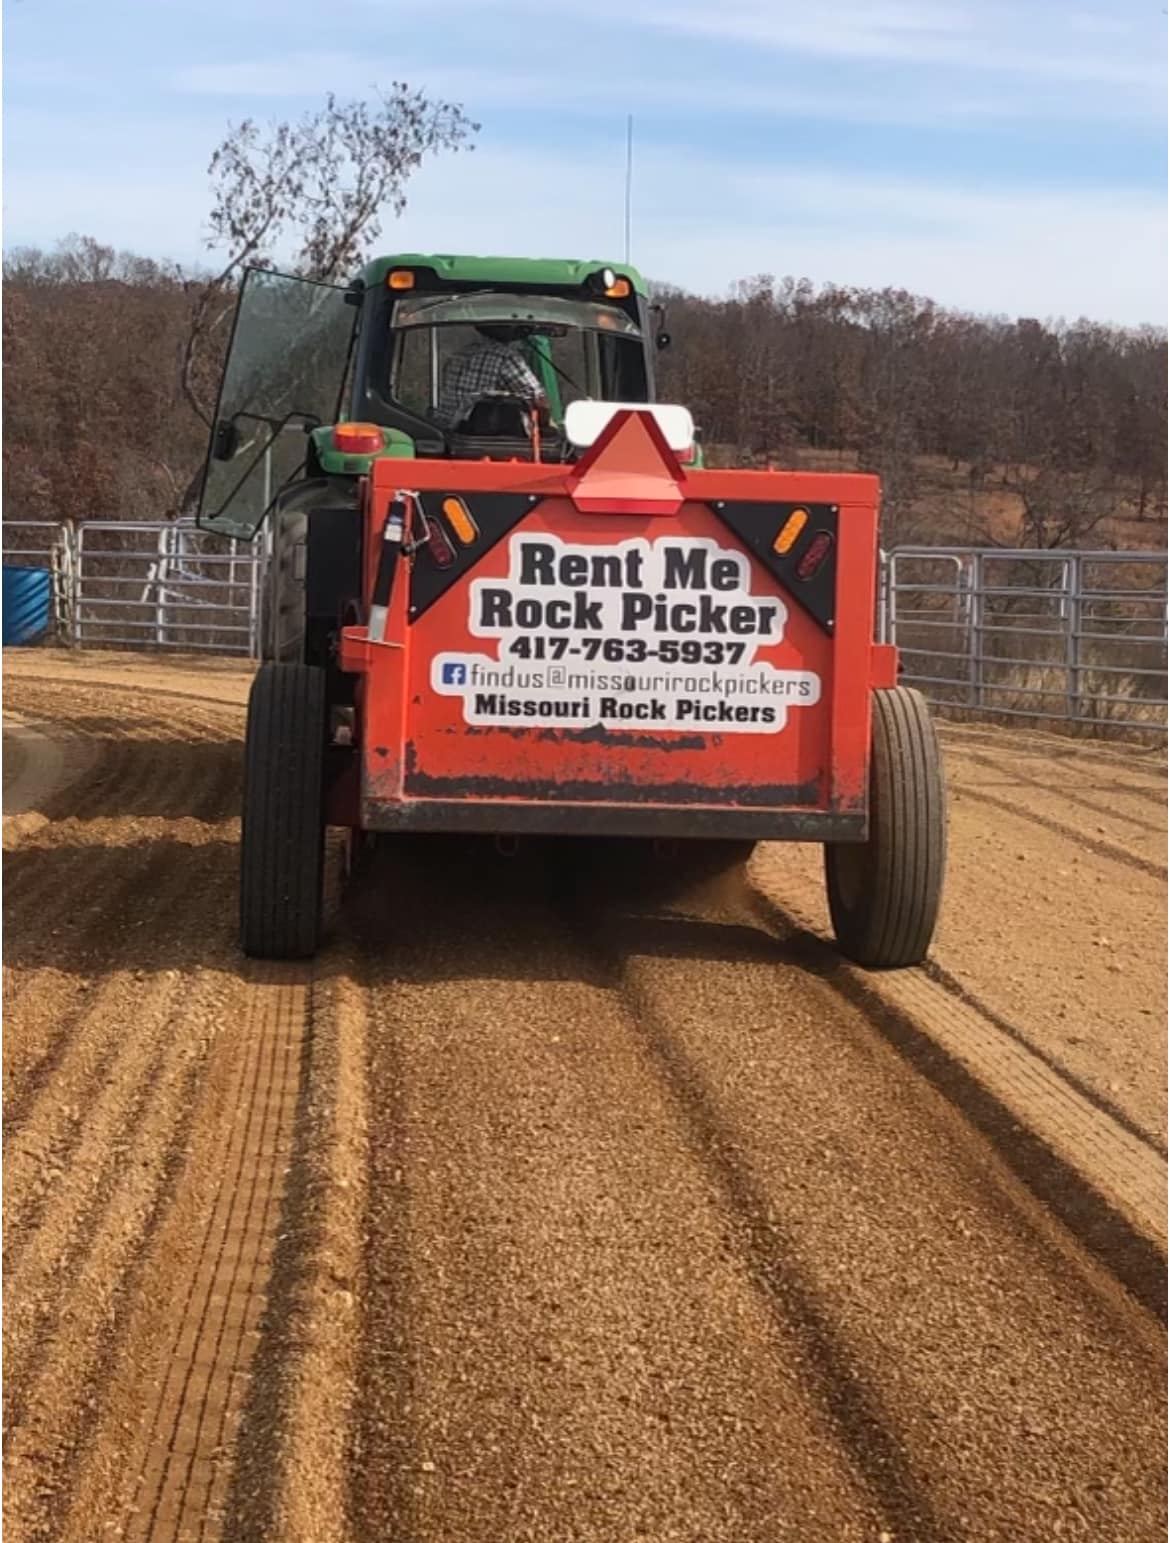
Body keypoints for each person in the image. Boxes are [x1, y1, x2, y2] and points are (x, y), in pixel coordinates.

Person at [435, 324, 547, 431]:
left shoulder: (460, 354)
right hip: (479, 434)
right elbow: (538, 401)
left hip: (444, 432)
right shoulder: (507, 358)